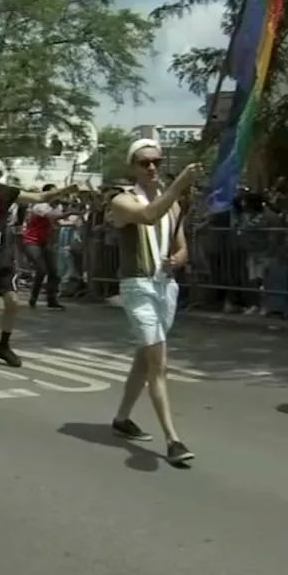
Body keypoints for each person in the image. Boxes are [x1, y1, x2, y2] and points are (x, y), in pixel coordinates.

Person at [104, 140, 200, 464]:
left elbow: (182, 245)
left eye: (156, 161)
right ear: (132, 166)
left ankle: (121, 419)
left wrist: (178, 258)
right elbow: (147, 215)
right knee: (158, 362)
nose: (152, 167)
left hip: (166, 287)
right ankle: (173, 440)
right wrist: (179, 184)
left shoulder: (174, 205)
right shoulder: (121, 201)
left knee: (145, 358)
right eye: (144, 163)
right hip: (137, 286)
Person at [0, 162, 78, 367]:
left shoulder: (7, 192)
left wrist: (65, 190)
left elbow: (40, 198)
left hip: (2, 253)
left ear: (0, 174)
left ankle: (4, 345)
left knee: (12, 300)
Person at [22, 184, 69, 310]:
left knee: (54, 271)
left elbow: (58, 223)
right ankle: (34, 297)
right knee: (41, 269)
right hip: (31, 241)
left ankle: (52, 300)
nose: (57, 195)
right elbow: (53, 217)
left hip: (44, 242)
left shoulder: (57, 207)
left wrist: (74, 222)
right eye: (54, 193)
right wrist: (72, 212)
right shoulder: (40, 205)